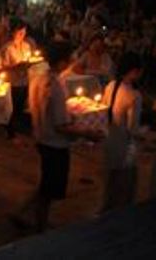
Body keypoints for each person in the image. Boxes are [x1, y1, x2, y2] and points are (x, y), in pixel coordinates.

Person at [10, 42, 104, 233]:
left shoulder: (39, 78)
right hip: (54, 144)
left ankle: (22, 213)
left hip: (41, 138)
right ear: (62, 62)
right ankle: (41, 226)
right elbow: (61, 126)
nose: (73, 62)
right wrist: (88, 133)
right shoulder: (56, 87)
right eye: (70, 58)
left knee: (47, 183)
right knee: (50, 189)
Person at [100, 52, 143, 212]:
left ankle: (104, 216)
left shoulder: (110, 86)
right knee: (125, 190)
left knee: (109, 186)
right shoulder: (134, 95)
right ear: (134, 71)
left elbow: (104, 112)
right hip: (125, 147)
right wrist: (146, 133)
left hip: (109, 140)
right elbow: (133, 129)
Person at [2, 19, 32, 140]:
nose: (21, 35)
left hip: (25, 80)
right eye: (19, 32)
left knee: (20, 106)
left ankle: (18, 128)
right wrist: (17, 66)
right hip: (13, 81)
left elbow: (30, 60)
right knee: (12, 107)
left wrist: (30, 64)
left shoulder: (27, 46)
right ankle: (10, 131)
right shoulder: (7, 48)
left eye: (23, 32)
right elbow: (4, 66)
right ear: (13, 32)